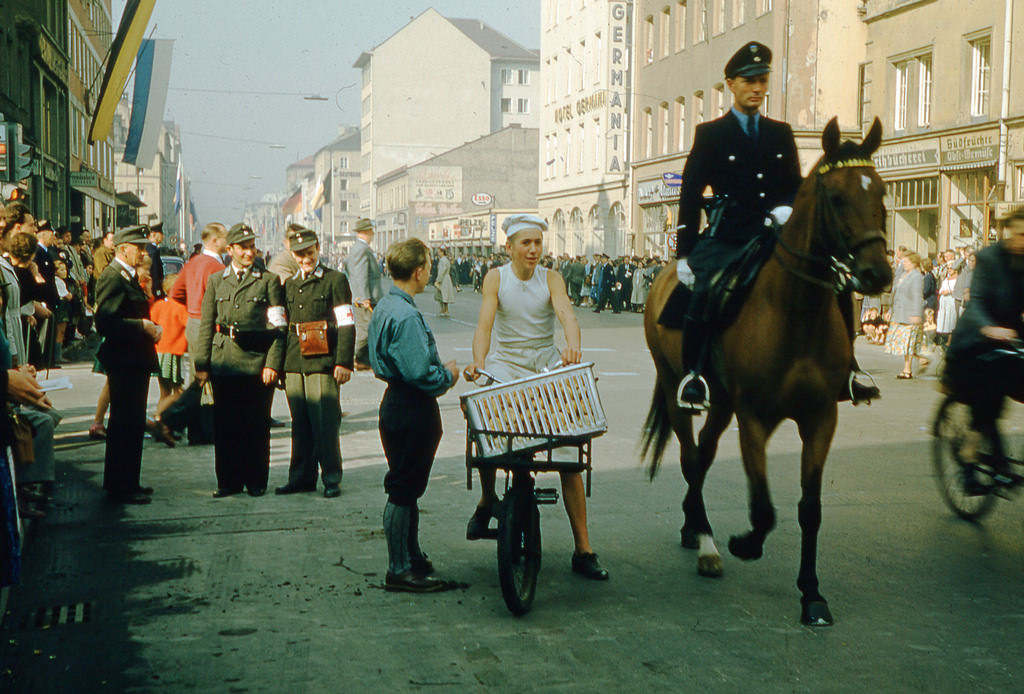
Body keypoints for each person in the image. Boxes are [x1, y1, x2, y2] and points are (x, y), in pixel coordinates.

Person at [673, 41, 878, 410]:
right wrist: (685, 254)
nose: (756, 88)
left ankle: (849, 367)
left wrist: (790, 209)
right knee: (705, 289)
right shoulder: (711, 134)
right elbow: (689, 195)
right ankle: (694, 375)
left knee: (835, 280)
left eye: (762, 80)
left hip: (778, 231)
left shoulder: (780, 132)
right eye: (748, 80)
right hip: (730, 234)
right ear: (731, 85)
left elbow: (792, 184)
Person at [463, 214, 608, 581]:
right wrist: (479, 363)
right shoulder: (496, 277)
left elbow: (567, 315)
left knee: (569, 443)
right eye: (525, 243)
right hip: (507, 361)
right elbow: (484, 326)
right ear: (508, 247)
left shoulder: (552, 278)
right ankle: (487, 498)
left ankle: (584, 548)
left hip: (543, 359)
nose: (532, 250)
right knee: (486, 423)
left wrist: (573, 347)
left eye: (537, 243)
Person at [368, 238, 457, 592]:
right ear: (418, 271)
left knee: (407, 484)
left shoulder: (388, 304)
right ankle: (399, 568)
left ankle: (411, 555)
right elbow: (423, 375)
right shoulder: (405, 315)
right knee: (404, 488)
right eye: (429, 267)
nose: (430, 272)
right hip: (411, 406)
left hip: (396, 404)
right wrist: (448, 374)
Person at [194, 223, 286, 498]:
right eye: (243, 248)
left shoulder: (268, 280)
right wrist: (202, 364)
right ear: (230, 249)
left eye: (251, 247)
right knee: (226, 426)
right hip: (224, 362)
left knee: (256, 426)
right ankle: (228, 482)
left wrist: (272, 363)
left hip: (256, 363)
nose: (249, 252)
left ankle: (256, 481)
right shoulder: (217, 281)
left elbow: (279, 328)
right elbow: (207, 324)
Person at [944, 209, 1024, 488]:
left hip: (1012, 334)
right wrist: (990, 328)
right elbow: (976, 301)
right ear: (1008, 231)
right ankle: (968, 469)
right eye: (1019, 234)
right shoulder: (990, 258)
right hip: (977, 339)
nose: (1022, 241)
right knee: (986, 402)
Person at [276, 228, 355, 498]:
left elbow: (346, 324)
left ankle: (332, 478)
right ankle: (300, 478)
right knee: (300, 424)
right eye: (299, 254)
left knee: (325, 422)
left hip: (323, 362)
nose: (305, 259)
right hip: (295, 362)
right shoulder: (289, 285)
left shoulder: (335, 280)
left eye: (309, 253)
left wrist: (343, 362)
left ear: (318, 249)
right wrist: (279, 365)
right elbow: (284, 327)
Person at [95, 226, 162, 504]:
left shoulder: (127, 277)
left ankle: (128, 481)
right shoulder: (113, 277)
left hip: (134, 360)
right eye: (140, 247)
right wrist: (142, 326)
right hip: (125, 361)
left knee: (132, 423)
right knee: (124, 423)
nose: (144, 253)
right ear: (124, 248)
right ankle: (121, 486)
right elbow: (106, 323)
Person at [169, 222, 227, 373]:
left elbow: (175, 292)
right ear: (215, 241)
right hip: (211, 326)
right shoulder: (217, 267)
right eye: (225, 238)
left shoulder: (193, 262)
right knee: (211, 376)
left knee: (196, 374)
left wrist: (192, 308)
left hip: (193, 324)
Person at [343, 218, 383, 370]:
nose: (372, 234)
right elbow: (360, 274)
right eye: (371, 231)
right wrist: (363, 296)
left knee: (368, 329)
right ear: (366, 232)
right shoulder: (361, 249)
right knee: (365, 330)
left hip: (365, 297)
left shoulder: (358, 248)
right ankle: (355, 358)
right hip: (366, 298)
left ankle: (363, 359)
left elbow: (348, 268)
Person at [885, 251, 925, 379]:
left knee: (908, 343)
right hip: (899, 313)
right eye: (903, 262)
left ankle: (907, 369)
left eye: (907, 262)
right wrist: (890, 311)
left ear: (913, 263)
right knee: (902, 342)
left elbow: (918, 296)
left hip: (910, 314)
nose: (904, 264)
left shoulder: (917, 277)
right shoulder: (903, 275)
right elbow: (896, 295)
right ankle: (923, 358)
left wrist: (916, 314)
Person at [434, 248, 455, 317]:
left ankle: (444, 309)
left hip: (443, 278)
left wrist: (438, 280)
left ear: (442, 252)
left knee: (442, 294)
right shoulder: (446, 260)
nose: (438, 253)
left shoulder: (442, 260)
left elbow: (441, 271)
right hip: (447, 277)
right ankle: (445, 309)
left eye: (439, 252)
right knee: (445, 294)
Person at [146, 222, 165, 299]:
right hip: (152, 289)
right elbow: (154, 272)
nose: (163, 237)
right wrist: (156, 289)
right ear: (154, 235)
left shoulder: (153, 249)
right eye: (161, 234)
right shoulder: (152, 251)